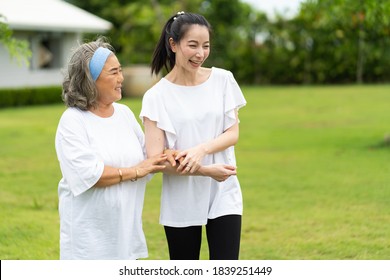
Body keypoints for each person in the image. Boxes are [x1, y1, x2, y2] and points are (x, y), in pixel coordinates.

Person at [140, 12, 247, 260]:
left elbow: (233, 132)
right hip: (181, 199)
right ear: (173, 44)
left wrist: (202, 150)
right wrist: (206, 170)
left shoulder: (223, 80)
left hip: (224, 192)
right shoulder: (156, 97)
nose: (200, 53)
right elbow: (156, 159)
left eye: (206, 46)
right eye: (193, 45)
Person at [55, 37, 168, 260]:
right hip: (88, 244)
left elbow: (148, 159)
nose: (121, 78)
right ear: (91, 79)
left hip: (125, 236)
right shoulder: (73, 121)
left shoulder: (124, 114)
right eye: (113, 72)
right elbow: (89, 174)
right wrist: (136, 171)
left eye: (120, 70)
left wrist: (173, 155)